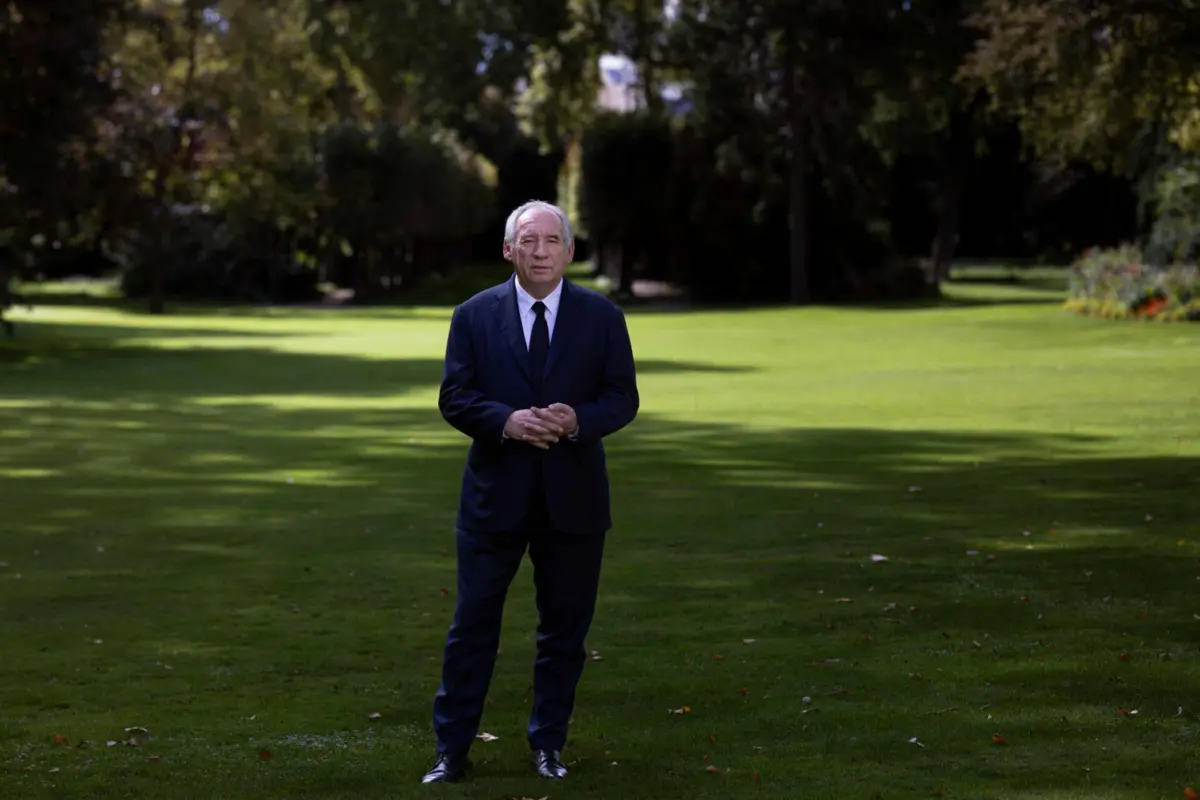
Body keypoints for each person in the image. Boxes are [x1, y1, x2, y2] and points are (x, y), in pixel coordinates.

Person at [421, 200, 639, 784]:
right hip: (495, 501)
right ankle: (451, 752)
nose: (539, 251)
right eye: (528, 241)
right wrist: (507, 422)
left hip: (574, 503)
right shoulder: (472, 315)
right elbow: (455, 396)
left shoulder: (602, 317)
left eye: (551, 241)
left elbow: (622, 398)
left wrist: (575, 422)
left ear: (570, 251)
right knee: (472, 629)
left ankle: (548, 746)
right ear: (508, 250)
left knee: (563, 635)